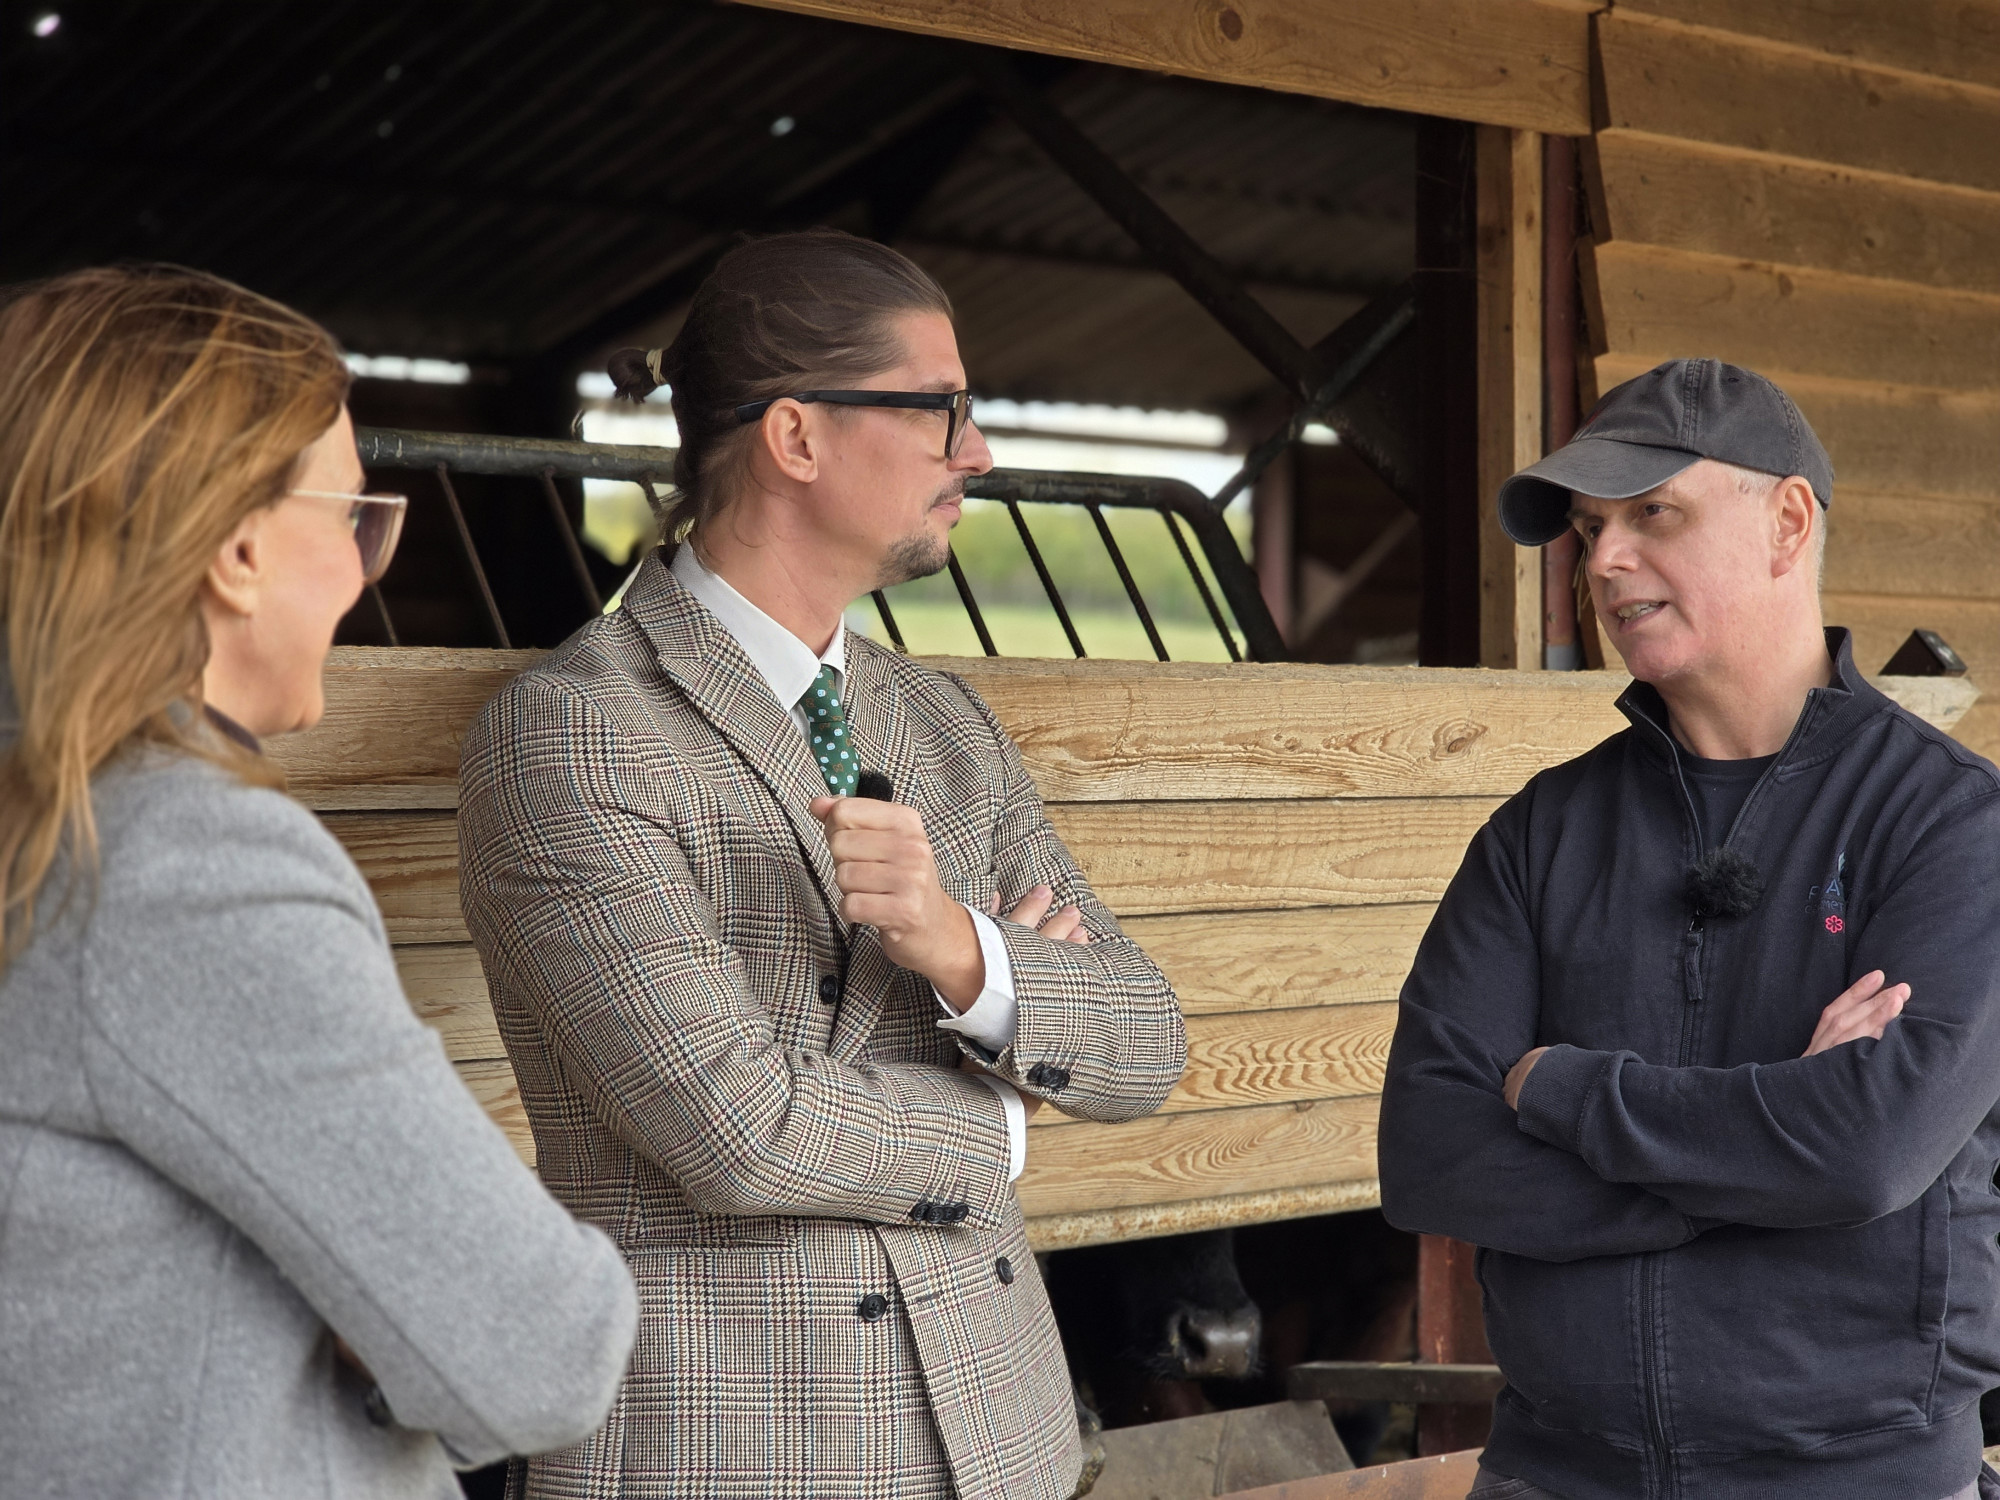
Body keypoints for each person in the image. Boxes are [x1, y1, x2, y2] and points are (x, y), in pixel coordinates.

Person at [456, 229, 1187, 1500]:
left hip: (1000, 1431)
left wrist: (966, 952)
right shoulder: (577, 730)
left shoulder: (942, 722)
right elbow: (740, 1129)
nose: (979, 452)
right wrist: (1004, 1131)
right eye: (941, 409)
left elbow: (1142, 1045)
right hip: (731, 1439)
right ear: (794, 438)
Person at [0, 264, 639, 1498]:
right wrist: (386, 1311)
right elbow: (535, 1349)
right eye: (352, 515)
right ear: (237, 549)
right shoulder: (179, 866)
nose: (365, 568)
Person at [1379, 357, 2000, 1500]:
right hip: (1556, 1474)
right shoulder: (1539, 832)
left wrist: (1558, 1092)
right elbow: (1429, 1158)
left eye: (1651, 513)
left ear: (1786, 520)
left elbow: (1865, 1150)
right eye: (1588, 526)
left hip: (1855, 1480)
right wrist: (1762, 1161)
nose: (1603, 561)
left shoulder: (1951, 823)